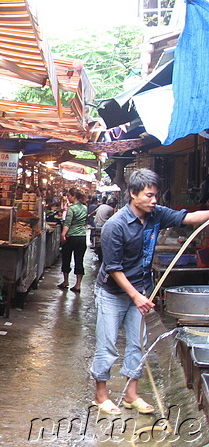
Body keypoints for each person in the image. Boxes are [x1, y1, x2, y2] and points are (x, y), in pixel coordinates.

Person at [91, 169, 209, 416]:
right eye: (149, 195)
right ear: (133, 194)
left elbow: (188, 218)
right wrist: (135, 295)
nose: (155, 200)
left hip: (140, 292)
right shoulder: (116, 225)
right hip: (114, 293)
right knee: (108, 344)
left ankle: (131, 394)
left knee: (138, 344)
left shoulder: (156, 215)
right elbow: (113, 268)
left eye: (156, 195)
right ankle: (100, 395)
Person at [58, 188, 88, 293]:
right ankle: (78, 284)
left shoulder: (71, 209)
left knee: (66, 259)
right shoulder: (85, 207)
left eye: (69, 196)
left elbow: (67, 223)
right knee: (79, 260)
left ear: (74, 196)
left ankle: (65, 281)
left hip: (71, 237)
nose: (68, 198)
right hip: (82, 237)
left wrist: (63, 234)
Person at [91, 197, 117, 264]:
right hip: (104, 226)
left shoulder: (101, 206)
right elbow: (113, 218)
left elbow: (94, 212)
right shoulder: (111, 209)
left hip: (96, 225)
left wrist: (88, 216)